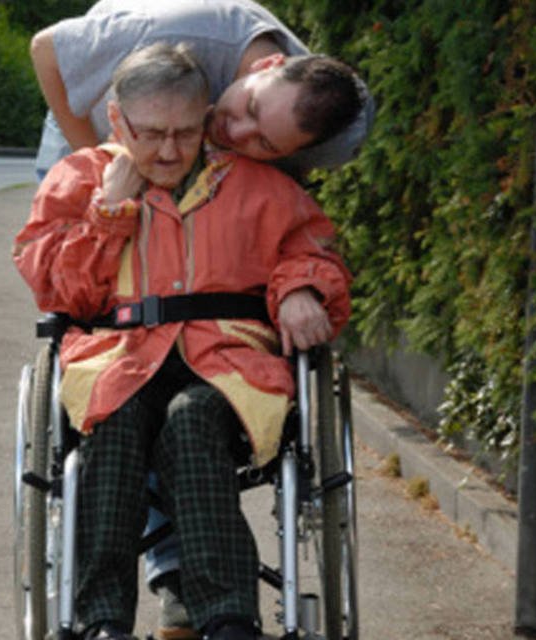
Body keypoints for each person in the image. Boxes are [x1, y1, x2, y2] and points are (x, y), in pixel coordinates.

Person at [30, 3, 371, 638]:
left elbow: (313, 250)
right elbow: (59, 290)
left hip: (228, 364)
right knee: (114, 422)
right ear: (116, 119)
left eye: (185, 133)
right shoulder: (81, 181)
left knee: (191, 422)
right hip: (119, 358)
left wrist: (301, 288)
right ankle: (101, 619)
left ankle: (226, 620)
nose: (168, 150)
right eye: (151, 133)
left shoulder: (261, 185)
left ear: (205, 119)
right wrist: (108, 211)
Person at [29, 0, 374, 180]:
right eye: (250, 107)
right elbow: (45, 51)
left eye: (265, 144)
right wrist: (98, 161)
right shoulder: (170, 31)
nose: (235, 132)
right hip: (87, 112)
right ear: (267, 65)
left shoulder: (327, 120)